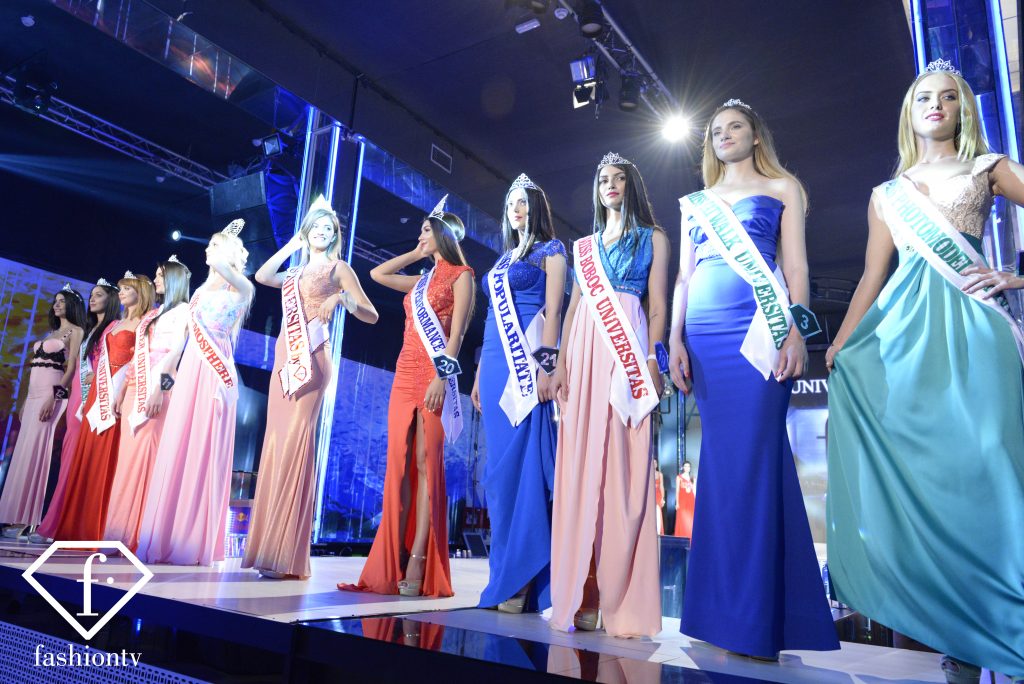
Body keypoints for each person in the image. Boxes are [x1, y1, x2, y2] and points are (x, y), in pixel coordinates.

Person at [826, 60, 1024, 682]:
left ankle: (1010, 630)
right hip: (907, 339)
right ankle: (961, 644)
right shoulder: (888, 194)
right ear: (909, 113)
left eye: (948, 96)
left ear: (964, 108)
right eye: (923, 97)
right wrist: (840, 343)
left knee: (993, 475)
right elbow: (872, 276)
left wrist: (1017, 276)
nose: (935, 104)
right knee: (937, 486)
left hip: (978, 329)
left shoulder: (988, 167)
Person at [669, 99, 838, 659]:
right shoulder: (696, 202)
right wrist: (673, 338)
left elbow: (796, 268)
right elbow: (684, 277)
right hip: (705, 333)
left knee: (759, 462)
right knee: (720, 466)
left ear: (755, 135)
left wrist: (797, 333)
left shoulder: (784, 187)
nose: (724, 135)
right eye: (716, 130)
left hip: (761, 330)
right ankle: (721, 615)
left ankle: (758, 617)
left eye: (734, 126)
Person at [548, 152, 668, 638]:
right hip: (583, 348)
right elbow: (573, 307)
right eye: (603, 180)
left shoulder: (653, 238)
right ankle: (583, 589)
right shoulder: (584, 248)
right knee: (580, 468)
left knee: (621, 466)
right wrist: (560, 362)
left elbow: (657, 305)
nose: (610, 185)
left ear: (631, 186)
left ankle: (616, 595)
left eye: (619, 178)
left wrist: (654, 358)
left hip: (627, 346)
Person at [339, 196, 473, 597]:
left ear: (444, 235)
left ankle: (418, 559)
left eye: (426, 230)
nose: (420, 235)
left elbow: (457, 335)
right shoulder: (421, 281)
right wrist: (416, 252)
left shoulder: (462, 275)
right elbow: (377, 274)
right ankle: (391, 557)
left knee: (426, 462)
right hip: (403, 375)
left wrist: (441, 378)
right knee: (398, 462)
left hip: (434, 375)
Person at [244, 197, 377, 579]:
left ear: (335, 235)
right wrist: (291, 245)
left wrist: (340, 297)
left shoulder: (339, 268)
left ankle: (285, 553)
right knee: (275, 442)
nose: (321, 232)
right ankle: (267, 549)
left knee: (296, 443)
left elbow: (371, 314)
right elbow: (262, 275)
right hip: (285, 359)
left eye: (328, 228)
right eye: (315, 227)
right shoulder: (294, 272)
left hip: (314, 359)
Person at [471, 174, 566, 613]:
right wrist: (477, 374)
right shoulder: (503, 259)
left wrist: (547, 367)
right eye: (511, 203)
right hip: (493, 363)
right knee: (497, 473)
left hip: (526, 364)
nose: (516, 209)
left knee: (521, 467)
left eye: (524, 202)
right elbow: (491, 317)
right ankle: (503, 572)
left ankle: (522, 577)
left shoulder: (552, 251)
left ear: (537, 208)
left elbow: (554, 314)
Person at [136, 221, 254, 565]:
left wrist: (226, 243)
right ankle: (167, 533)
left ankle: (193, 537)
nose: (205, 250)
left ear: (226, 252)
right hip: (190, 371)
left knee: (203, 446)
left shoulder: (241, 287)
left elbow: (226, 270)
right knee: (179, 444)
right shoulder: (200, 292)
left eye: (211, 245)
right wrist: (162, 382)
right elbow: (180, 345)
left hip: (215, 374)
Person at [53, 272, 155, 542]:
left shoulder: (146, 323)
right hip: (98, 392)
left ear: (140, 292)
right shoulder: (115, 324)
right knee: (86, 454)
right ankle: (74, 526)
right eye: (120, 289)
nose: (121, 293)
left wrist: (122, 389)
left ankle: (95, 527)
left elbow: (141, 361)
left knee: (104, 457)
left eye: (126, 289)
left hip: (118, 393)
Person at [104, 257, 191, 551]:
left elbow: (177, 355)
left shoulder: (184, 312)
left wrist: (160, 390)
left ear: (175, 279)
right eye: (155, 275)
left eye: (161, 276)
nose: (156, 280)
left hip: (157, 389)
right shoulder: (154, 313)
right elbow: (137, 355)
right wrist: (121, 390)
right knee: (126, 462)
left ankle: (136, 534)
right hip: (134, 389)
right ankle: (116, 530)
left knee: (144, 461)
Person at [33, 279, 121, 543]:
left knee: (81, 462)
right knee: (69, 458)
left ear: (110, 300)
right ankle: (56, 523)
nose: (92, 299)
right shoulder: (89, 330)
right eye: (91, 295)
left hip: (94, 398)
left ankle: (66, 524)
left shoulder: (112, 328)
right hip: (76, 399)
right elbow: (73, 369)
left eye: (98, 295)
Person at [0, 285, 85, 538]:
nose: (56, 305)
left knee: (37, 453)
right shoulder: (51, 332)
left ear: (71, 305)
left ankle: (29, 519)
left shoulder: (76, 331)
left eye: (62, 301)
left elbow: (71, 370)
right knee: (23, 453)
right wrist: (25, 400)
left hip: (51, 394)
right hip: (33, 395)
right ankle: (12, 515)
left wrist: (53, 397)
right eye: (55, 301)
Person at [673, 460, 695, 538]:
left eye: (688, 466)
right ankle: (682, 536)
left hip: (691, 499)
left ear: (690, 468)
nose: (687, 468)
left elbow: (694, 490)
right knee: (682, 518)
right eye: (685, 466)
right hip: (682, 499)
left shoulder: (693, 478)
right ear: (683, 467)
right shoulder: (679, 477)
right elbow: (677, 491)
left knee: (690, 518)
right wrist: (677, 502)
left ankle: (691, 536)